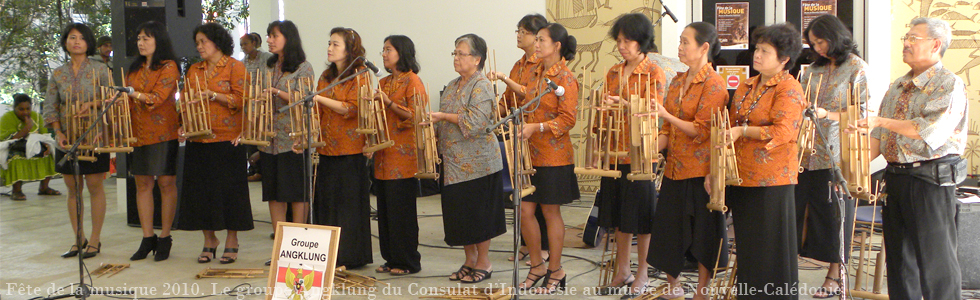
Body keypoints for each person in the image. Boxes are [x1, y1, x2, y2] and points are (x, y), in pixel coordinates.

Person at [853, 17, 966, 300]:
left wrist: (880, 121)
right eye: (907, 37)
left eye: (914, 38)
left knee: (935, 261)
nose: (906, 43)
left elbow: (929, 131)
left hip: (930, 179)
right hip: (896, 178)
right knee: (900, 262)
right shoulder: (897, 86)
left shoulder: (948, 83)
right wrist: (850, 165)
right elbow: (878, 140)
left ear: (936, 44)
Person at [707, 23, 804, 299]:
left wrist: (742, 131)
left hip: (772, 179)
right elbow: (731, 123)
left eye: (765, 51)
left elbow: (784, 132)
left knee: (771, 249)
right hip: (741, 175)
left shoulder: (789, 88)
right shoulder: (749, 84)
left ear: (784, 59)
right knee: (749, 248)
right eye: (757, 49)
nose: (757, 55)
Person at [491, 23, 579, 293]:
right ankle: (537, 265)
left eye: (542, 40)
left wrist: (536, 128)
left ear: (557, 46)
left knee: (550, 211)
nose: (537, 45)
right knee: (524, 209)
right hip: (528, 155)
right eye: (536, 39)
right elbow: (524, 102)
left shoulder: (565, 78)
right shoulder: (535, 74)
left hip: (554, 156)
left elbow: (567, 120)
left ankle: (556, 268)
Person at [648, 22, 729, 300]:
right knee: (669, 230)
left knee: (704, 233)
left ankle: (702, 291)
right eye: (680, 41)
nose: (679, 47)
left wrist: (666, 116)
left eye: (685, 42)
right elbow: (667, 129)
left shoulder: (714, 84)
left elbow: (701, 130)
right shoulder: (678, 80)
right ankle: (674, 285)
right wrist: (652, 149)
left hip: (702, 170)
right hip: (674, 168)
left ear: (704, 47)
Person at [797, 14, 867, 298]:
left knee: (835, 218)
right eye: (813, 44)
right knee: (802, 214)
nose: (818, 49)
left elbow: (862, 113)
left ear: (835, 36)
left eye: (821, 41)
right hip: (805, 153)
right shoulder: (811, 70)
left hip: (837, 153)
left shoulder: (856, 68)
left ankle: (835, 276)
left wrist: (828, 114)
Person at [595, 13, 666, 298]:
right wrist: (602, 109)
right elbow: (606, 105)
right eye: (619, 41)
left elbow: (653, 111)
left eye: (628, 41)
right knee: (618, 217)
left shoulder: (653, 72)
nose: (622, 46)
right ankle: (622, 269)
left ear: (642, 41)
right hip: (615, 151)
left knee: (642, 220)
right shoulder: (613, 71)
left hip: (639, 154)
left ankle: (643, 273)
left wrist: (624, 104)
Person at [174, 22, 253, 264]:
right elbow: (185, 101)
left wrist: (213, 95)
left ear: (217, 42)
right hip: (199, 138)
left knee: (230, 191)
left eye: (203, 42)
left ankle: (232, 239)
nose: (199, 47)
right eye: (197, 43)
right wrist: (183, 124)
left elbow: (242, 99)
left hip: (227, 139)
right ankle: (209, 240)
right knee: (200, 191)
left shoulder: (234, 67)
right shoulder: (194, 70)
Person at [430, 33, 506, 284]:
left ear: (477, 59)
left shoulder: (481, 85)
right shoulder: (452, 85)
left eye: (461, 53)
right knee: (460, 216)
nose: (456, 58)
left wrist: (442, 116)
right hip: (453, 164)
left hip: (479, 164)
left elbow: (475, 123)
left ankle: (484, 262)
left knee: (479, 215)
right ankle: (469, 260)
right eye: (455, 53)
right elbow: (442, 123)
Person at [42, 22, 112, 259]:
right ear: (65, 42)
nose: (77, 42)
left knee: (94, 185)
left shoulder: (100, 69)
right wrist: (58, 132)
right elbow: (50, 106)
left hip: (94, 134)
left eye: (82, 38)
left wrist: (92, 106)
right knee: (73, 189)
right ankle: (78, 237)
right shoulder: (58, 73)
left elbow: (111, 99)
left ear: (88, 43)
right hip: (67, 138)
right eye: (72, 37)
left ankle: (95, 239)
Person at [490, 14, 551, 264]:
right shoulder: (519, 64)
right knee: (522, 192)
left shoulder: (542, 64)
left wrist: (505, 79)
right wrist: (494, 112)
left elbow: (529, 94)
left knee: (541, 195)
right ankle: (527, 243)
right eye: (518, 30)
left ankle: (544, 247)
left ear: (537, 37)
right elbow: (508, 100)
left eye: (523, 31)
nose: (518, 35)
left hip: (537, 135)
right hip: (518, 135)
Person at [310, 27, 372, 269]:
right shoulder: (325, 77)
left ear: (350, 49)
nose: (329, 48)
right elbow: (317, 111)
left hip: (350, 149)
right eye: (329, 43)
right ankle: (328, 254)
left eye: (336, 44)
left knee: (348, 205)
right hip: (326, 148)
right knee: (327, 203)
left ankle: (349, 255)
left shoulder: (359, 74)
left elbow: (351, 108)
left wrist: (318, 98)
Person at [257, 20, 315, 263]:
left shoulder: (303, 67)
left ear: (288, 38)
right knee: (274, 193)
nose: (269, 40)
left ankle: (298, 245)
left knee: (296, 193)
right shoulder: (267, 66)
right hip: (268, 139)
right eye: (269, 36)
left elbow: (307, 98)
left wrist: (277, 93)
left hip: (293, 139)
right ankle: (281, 246)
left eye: (274, 36)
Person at [124, 21, 181, 262]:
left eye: (146, 38)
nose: (141, 43)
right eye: (138, 38)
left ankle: (165, 236)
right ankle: (148, 237)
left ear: (158, 40)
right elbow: (127, 101)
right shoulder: (134, 68)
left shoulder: (168, 66)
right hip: (137, 133)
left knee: (166, 183)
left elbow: (157, 99)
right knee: (142, 185)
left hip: (163, 133)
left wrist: (132, 94)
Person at [372, 35, 424, 275]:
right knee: (384, 211)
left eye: (388, 49)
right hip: (382, 156)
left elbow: (417, 116)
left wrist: (389, 104)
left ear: (401, 53)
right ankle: (391, 258)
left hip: (403, 159)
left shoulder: (412, 81)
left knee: (401, 211)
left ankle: (407, 261)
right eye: (383, 50)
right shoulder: (383, 83)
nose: (383, 54)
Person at [1, 93, 60, 201]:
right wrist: (27, 127)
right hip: (15, 147)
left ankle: (44, 188)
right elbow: (8, 139)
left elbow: (44, 135)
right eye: (21, 109)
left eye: (28, 109)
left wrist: (47, 146)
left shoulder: (37, 117)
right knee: (15, 158)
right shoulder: (7, 118)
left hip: (35, 146)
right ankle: (17, 191)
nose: (25, 112)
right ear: (14, 108)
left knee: (51, 153)